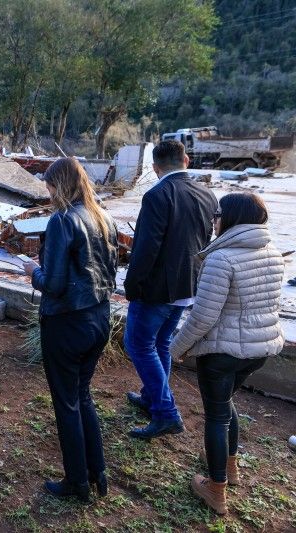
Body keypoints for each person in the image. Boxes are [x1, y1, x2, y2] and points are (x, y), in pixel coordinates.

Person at [169, 192, 284, 515]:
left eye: (217, 214)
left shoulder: (222, 258)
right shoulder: (273, 253)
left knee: (217, 416)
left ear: (230, 218)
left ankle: (215, 488)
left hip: (222, 352)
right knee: (226, 404)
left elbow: (203, 317)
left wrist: (176, 348)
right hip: (258, 350)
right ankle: (230, 466)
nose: (213, 220)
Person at [22, 158, 118, 502]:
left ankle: (77, 481)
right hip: (99, 319)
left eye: (49, 186)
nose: (47, 194)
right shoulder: (104, 217)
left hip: (67, 323)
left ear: (59, 185)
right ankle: (97, 472)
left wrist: (33, 271)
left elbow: (56, 284)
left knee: (67, 403)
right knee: (82, 396)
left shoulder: (63, 221)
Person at [123, 140, 218, 440]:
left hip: (157, 290)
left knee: (138, 345)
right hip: (187, 286)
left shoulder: (157, 195)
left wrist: (132, 284)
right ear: (186, 160)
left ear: (155, 168)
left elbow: (146, 248)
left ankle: (166, 413)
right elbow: (206, 240)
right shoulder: (207, 194)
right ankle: (152, 397)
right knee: (161, 344)